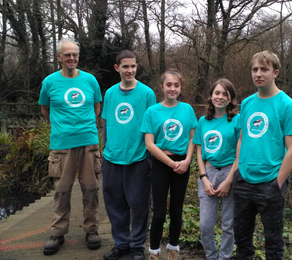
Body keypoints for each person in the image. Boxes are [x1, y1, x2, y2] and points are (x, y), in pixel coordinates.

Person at [216, 50, 292, 260]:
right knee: (242, 239)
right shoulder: (246, 104)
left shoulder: (287, 105)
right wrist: (237, 172)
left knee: (273, 241)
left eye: (264, 69)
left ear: (276, 72)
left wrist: (278, 182)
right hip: (244, 180)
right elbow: (242, 139)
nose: (258, 74)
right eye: (255, 69)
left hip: (270, 182)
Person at [39, 38, 102, 255]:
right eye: (67, 55)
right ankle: (57, 233)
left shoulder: (90, 80)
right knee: (62, 190)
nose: (72, 58)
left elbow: (96, 107)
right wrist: (62, 128)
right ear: (59, 57)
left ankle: (91, 230)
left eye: (74, 54)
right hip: (61, 145)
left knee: (91, 189)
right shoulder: (49, 82)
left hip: (88, 143)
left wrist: (85, 127)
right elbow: (45, 111)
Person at [101, 50, 156, 260]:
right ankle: (121, 244)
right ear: (117, 68)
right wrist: (105, 152)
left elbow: (153, 126)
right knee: (115, 205)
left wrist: (150, 158)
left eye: (133, 66)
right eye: (125, 66)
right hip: (113, 159)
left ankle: (137, 245)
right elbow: (106, 125)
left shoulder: (147, 94)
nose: (130, 70)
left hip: (139, 159)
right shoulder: (110, 94)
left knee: (140, 205)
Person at [140, 69, 197, 260]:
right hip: (161, 164)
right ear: (162, 87)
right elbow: (149, 143)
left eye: (176, 85)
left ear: (180, 88)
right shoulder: (152, 112)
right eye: (169, 85)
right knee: (159, 212)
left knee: (176, 210)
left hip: (182, 164)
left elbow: (192, 138)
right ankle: (154, 252)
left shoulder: (187, 109)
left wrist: (187, 161)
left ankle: (173, 248)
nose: (172, 89)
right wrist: (171, 163)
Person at [193, 78, 239, 260]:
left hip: (230, 173)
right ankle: (211, 256)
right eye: (217, 93)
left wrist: (229, 180)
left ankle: (225, 257)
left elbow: (240, 152)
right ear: (211, 96)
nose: (220, 97)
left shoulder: (237, 120)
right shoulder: (203, 121)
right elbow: (198, 151)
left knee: (229, 224)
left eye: (225, 94)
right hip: (209, 173)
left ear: (231, 99)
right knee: (205, 225)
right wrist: (203, 177)